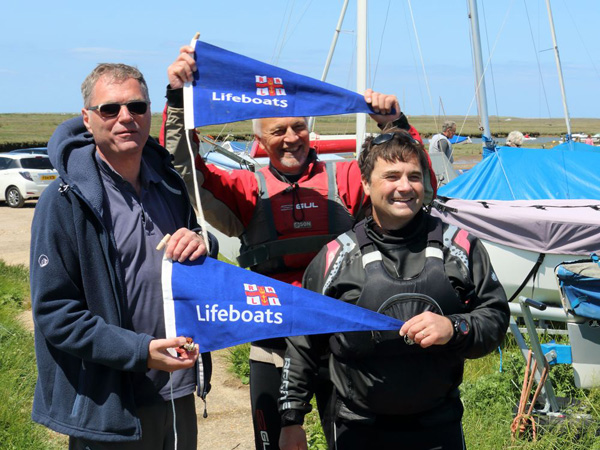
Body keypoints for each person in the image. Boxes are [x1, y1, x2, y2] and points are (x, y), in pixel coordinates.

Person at [163, 45, 423, 450]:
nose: (290, 138)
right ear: (259, 140)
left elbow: (411, 183)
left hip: (341, 344)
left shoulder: (348, 179)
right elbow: (182, 168)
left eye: (298, 127)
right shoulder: (245, 190)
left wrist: (394, 123)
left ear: (309, 130)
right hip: (274, 347)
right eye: (278, 131)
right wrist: (180, 101)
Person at [278, 129, 510, 449]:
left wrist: (455, 327)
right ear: (366, 183)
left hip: (438, 427)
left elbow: (495, 317)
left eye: (414, 176)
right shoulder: (336, 256)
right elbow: (302, 343)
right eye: (391, 176)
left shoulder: (460, 246)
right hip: (357, 429)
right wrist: (292, 419)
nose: (405, 186)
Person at [30, 63, 218, 449]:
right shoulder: (64, 201)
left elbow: (197, 253)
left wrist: (204, 243)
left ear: (149, 112)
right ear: (87, 118)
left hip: (178, 392)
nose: (125, 117)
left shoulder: (170, 184)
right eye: (109, 109)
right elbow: (55, 313)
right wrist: (140, 352)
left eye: (136, 106)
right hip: (110, 404)